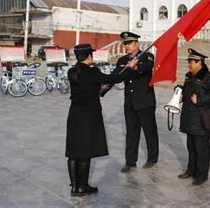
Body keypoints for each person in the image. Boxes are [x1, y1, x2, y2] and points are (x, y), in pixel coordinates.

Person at [65, 43, 131, 196]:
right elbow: (115, 78)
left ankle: (75, 186)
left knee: (74, 151)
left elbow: (85, 87)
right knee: (85, 150)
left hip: (74, 114)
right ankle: (82, 186)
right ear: (89, 56)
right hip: (89, 115)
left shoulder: (72, 71)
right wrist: (129, 67)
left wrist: (97, 89)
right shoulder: (92, 72)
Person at [106, 31, 159, 172]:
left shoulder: (147, 56)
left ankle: (152, 158)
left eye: (129, 43)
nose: (127, 46)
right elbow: (115, 76)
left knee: (149, 132)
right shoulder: (122, 60)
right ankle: (130, 161)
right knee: (131, 132)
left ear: (137, 43)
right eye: (125, 44)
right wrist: (105, 84)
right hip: (130, 103)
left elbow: (145, 68)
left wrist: (135, 67)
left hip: (145, 102)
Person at [178, 48, 210, 186]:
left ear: (200, 63)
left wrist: (200, 100)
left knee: (201, 148)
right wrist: (181, 95)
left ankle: (202, 175)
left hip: (202, 119)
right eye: (189, 62)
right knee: (191, 147)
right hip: (189, 118)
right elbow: (187, 90)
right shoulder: (189, 76)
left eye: (191, 62)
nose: (189, 65)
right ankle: (191, 170)